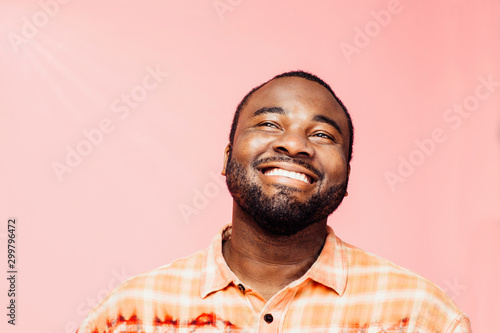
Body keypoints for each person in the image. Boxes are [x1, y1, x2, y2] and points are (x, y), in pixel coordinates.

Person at [77, 71, 471, 332]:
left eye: (322, 134)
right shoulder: (131, 314)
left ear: (346, 174)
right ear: (227, 156)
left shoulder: (421, 316)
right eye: (269, 124)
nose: (294, 144)